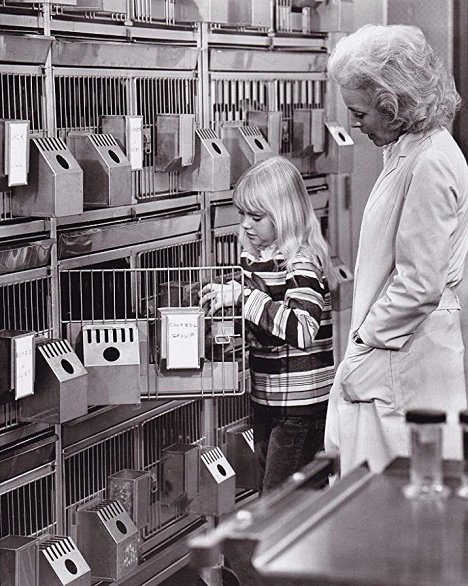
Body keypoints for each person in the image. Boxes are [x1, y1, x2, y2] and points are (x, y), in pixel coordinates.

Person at [324, 24, 468, 475]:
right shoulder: (410, 150)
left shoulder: (430, 162)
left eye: (360, 112)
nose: (354, 125)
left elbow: (418, 285)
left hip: (408, 358)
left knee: (402, 506)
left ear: (392, 104)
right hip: (399, 355)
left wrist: (366, 342)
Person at [200, 155, 335, 493]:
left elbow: (303, 328)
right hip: (268, 400)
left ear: (284, 215)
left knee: (280, 505)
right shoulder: (255, 257)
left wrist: (244, 299)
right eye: (242, 214)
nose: (245, 224)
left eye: (256, 217)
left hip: (301, 408)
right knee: (275, 498)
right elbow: (264, 324)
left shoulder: (301, 261)